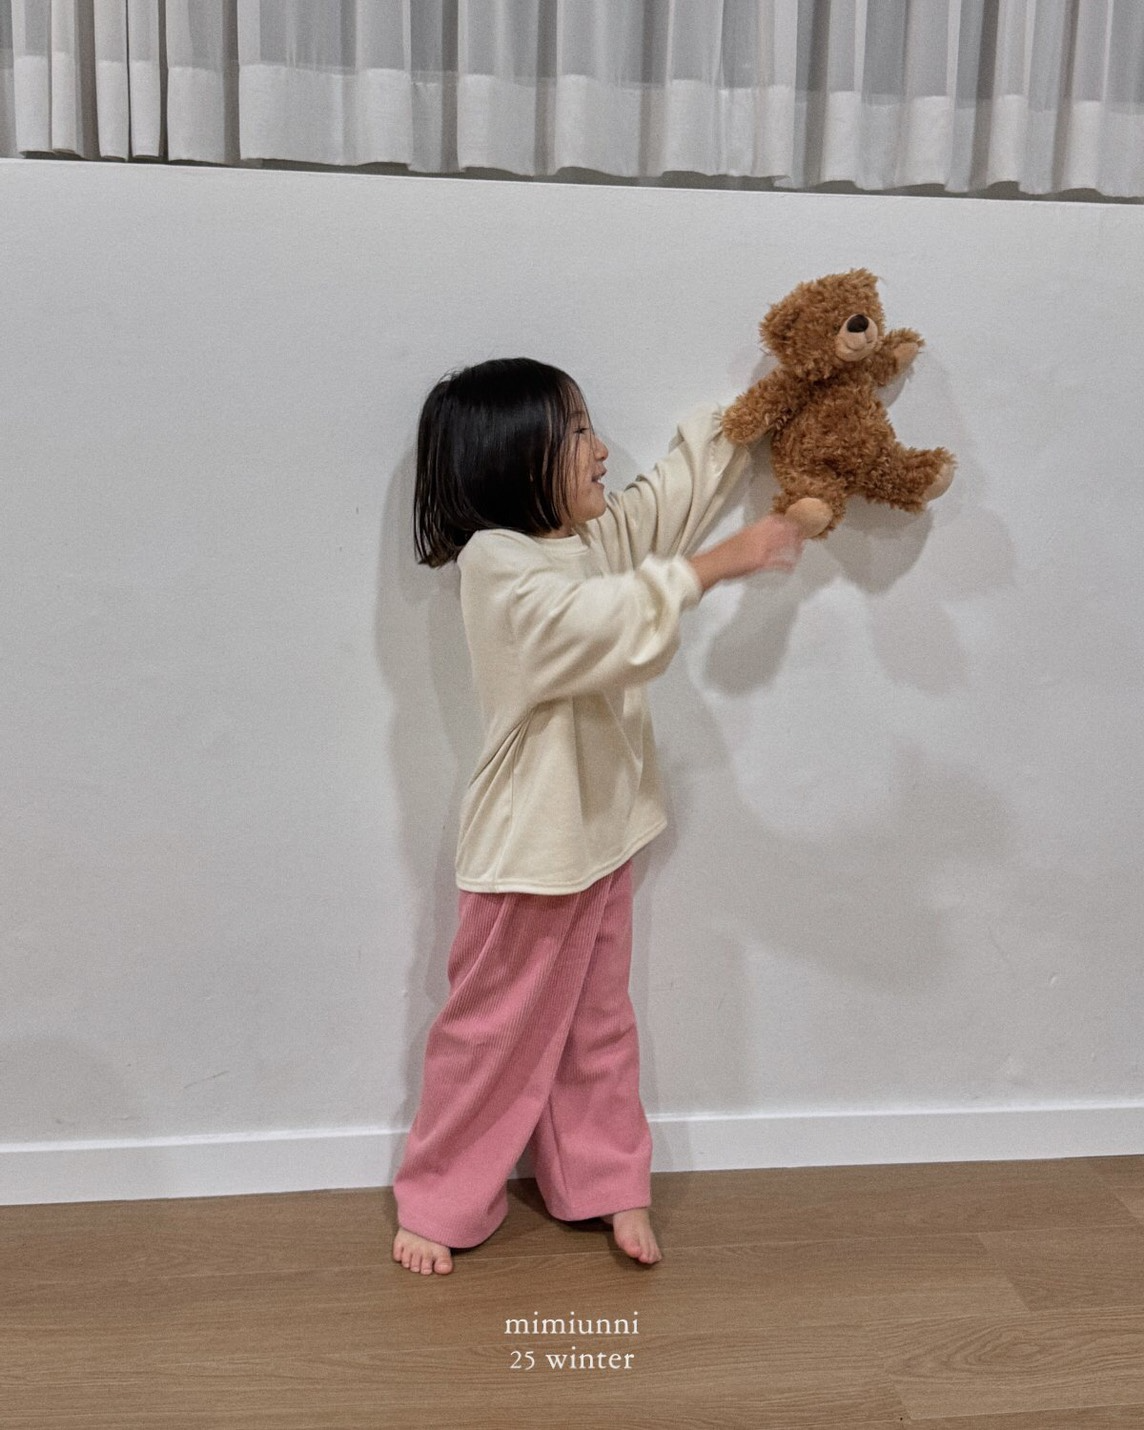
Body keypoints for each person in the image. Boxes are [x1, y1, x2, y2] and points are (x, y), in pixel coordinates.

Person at [392, 357, 804, 1275]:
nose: (602, 449)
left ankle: (603, 1181)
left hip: (603, 838)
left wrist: (753, 410)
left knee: (598, 1025)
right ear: (514, 455)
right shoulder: (497, 565)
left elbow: (664, 504)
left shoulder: (587, 541)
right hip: (528, 855)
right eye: (578, 432)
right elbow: (594, 627)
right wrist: (717, 566)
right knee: (489, 1037)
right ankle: (438, 1199)